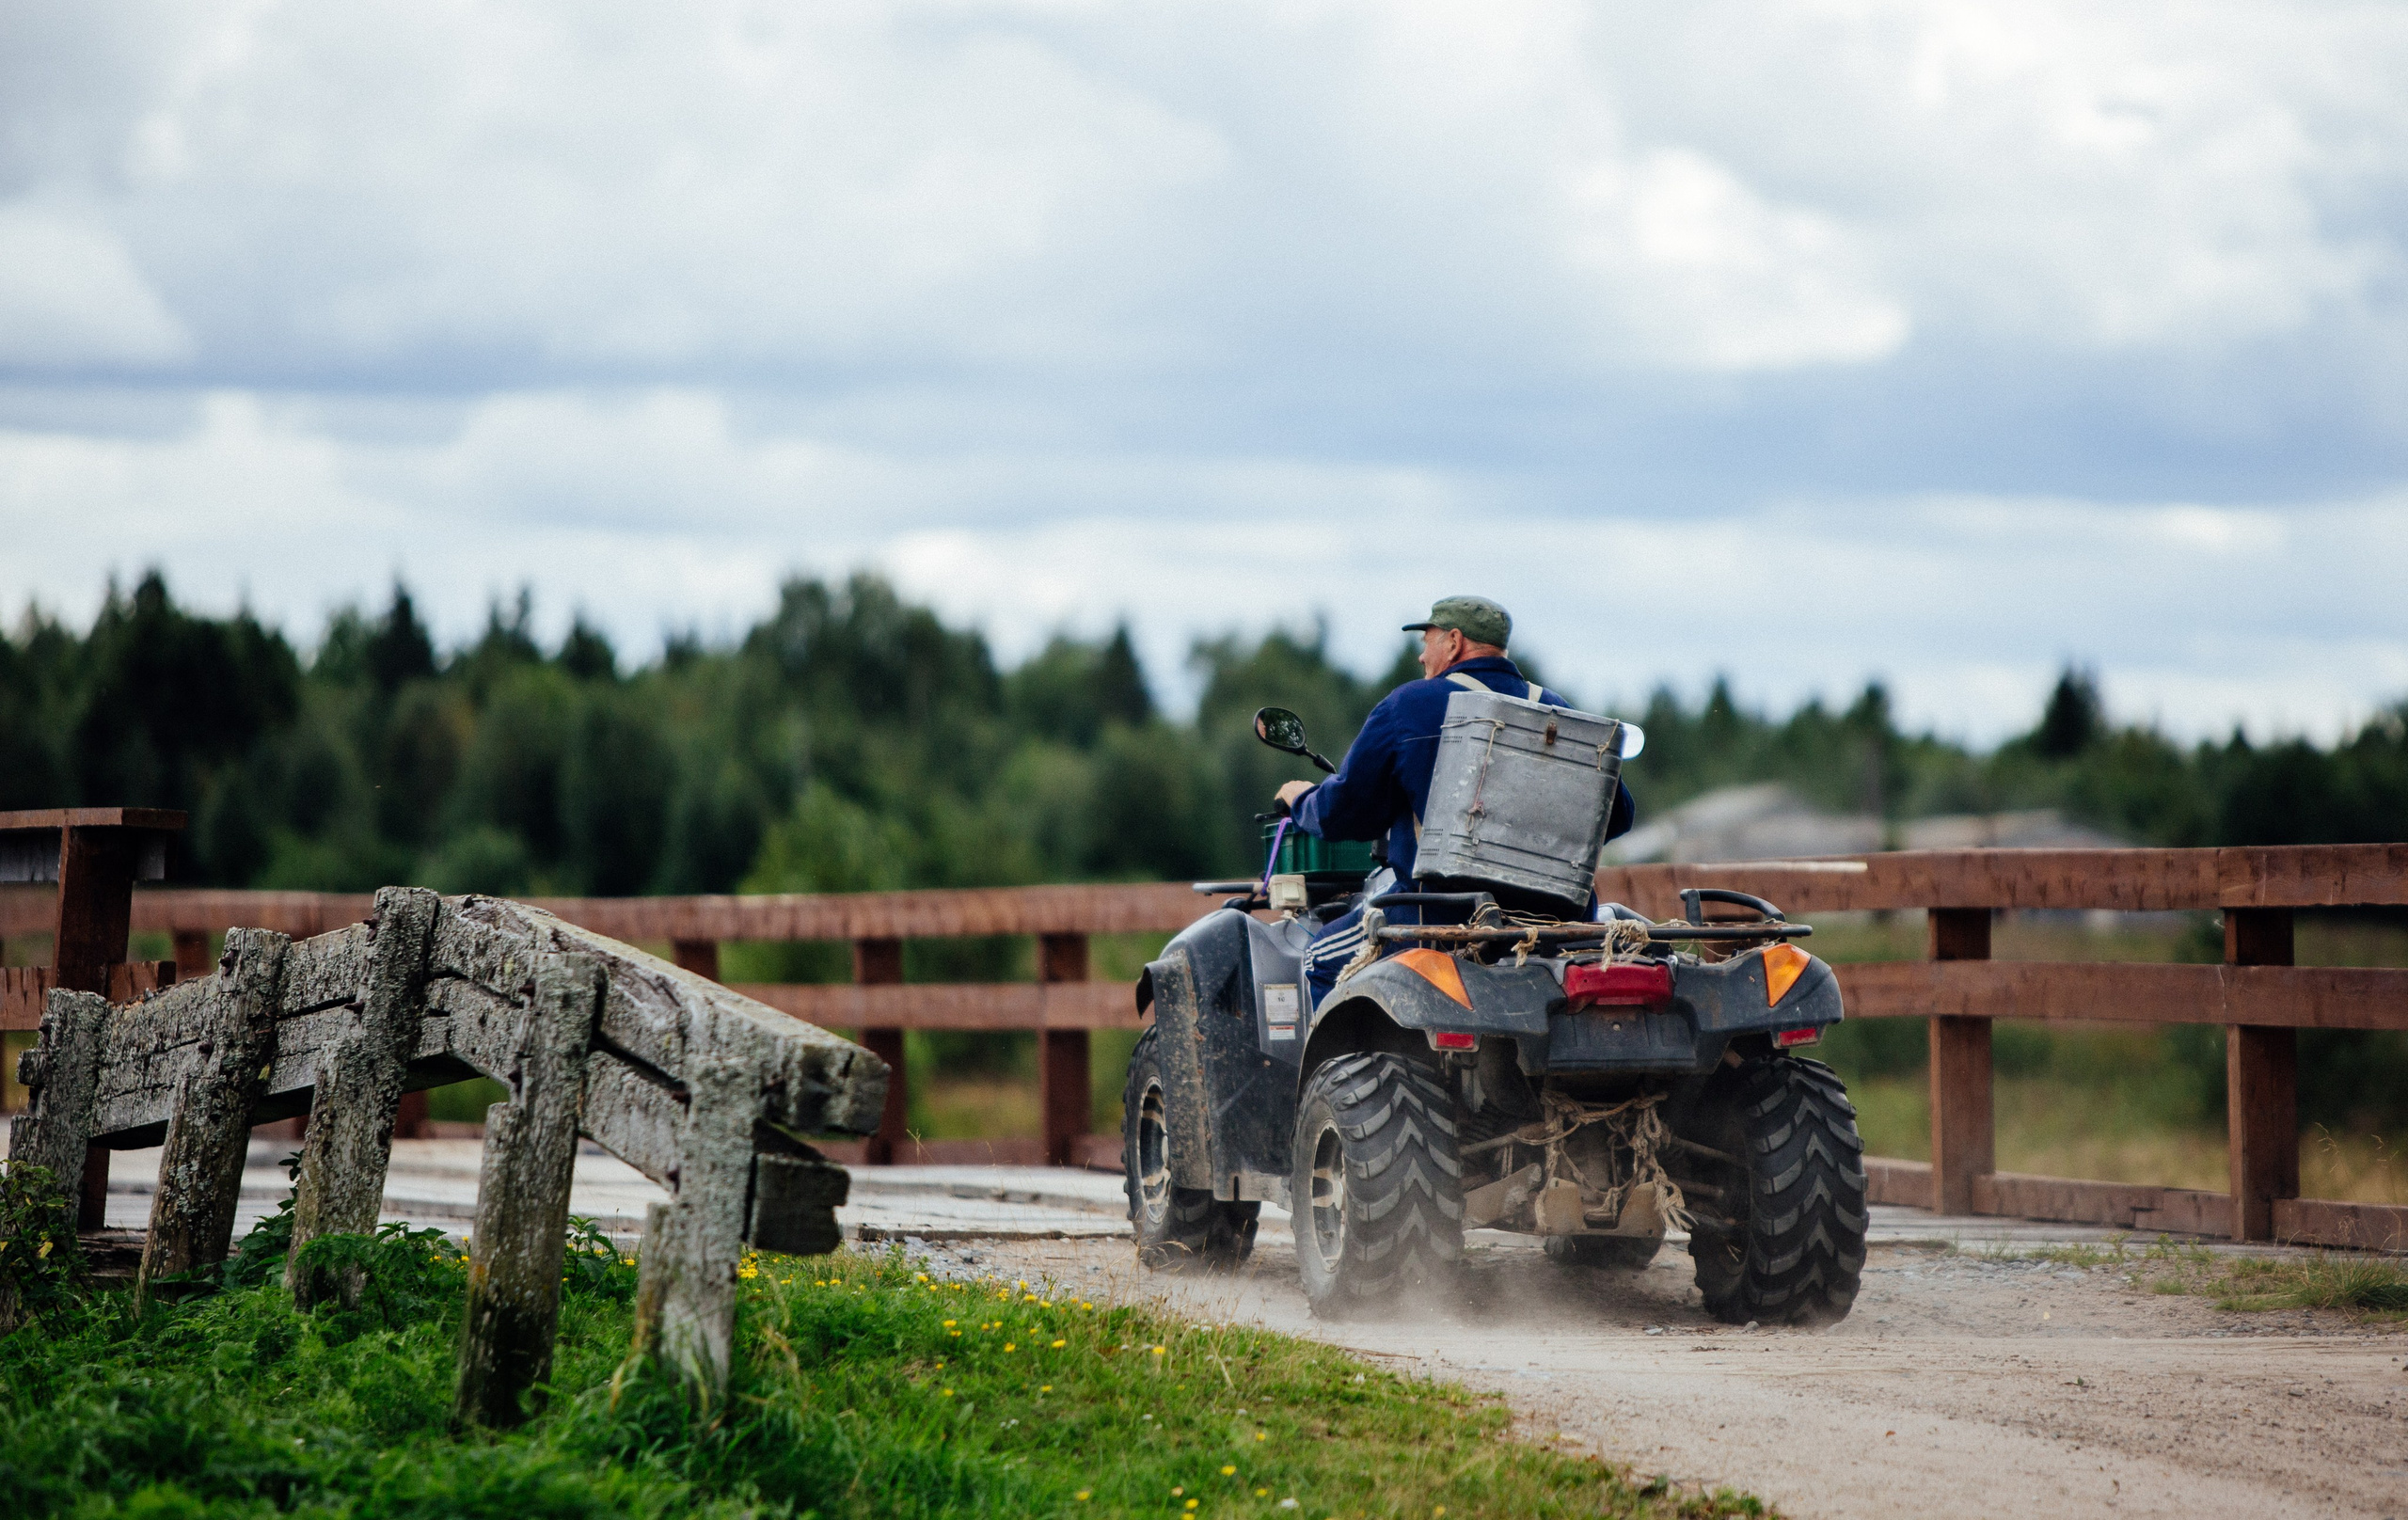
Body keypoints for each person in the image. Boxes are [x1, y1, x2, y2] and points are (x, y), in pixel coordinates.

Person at [1276, 595, 1635, 1004]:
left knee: (1319, 957)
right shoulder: (1558, 709)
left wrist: (1302, 799)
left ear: (1454, 641)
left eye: (1426, 640)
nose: (1419, 656)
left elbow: (1345, 813)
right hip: (1557, 928)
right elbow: (1618, 816)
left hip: (1437, 921)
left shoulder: (1409, 707)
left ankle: (1338, 1068)